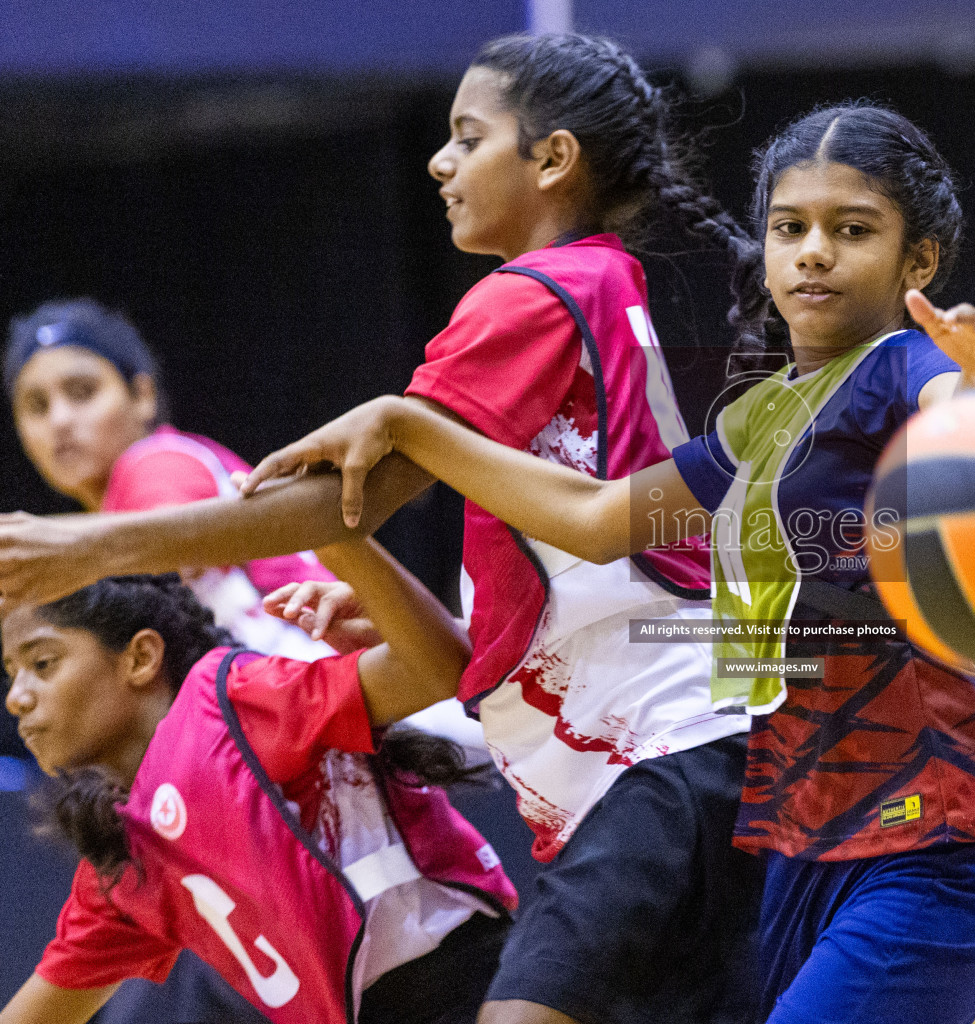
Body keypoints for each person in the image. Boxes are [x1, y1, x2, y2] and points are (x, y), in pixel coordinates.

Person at [0, 33, 764, 1024]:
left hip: (494, 742)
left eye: (466, 136)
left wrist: (78, 547)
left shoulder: (529, 292)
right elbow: (509, 538)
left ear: (552, 158)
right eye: (32, 404)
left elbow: (356, 497)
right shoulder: (593, 284)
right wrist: (366, 571)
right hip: (590, 738)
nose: (439, 162)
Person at [238, 102, 975, 1024]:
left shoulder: (904, 368)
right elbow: (589, 517)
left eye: (851, 230)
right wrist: (438, 527)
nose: (813, 251)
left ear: (920, 264)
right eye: (791, 227)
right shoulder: (760, 422)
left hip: (931, 848)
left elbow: (960, 414)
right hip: (796, 852)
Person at [0, 537, 517, 1024]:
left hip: (470, 978)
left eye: (42, 663)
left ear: (140, 657)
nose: (16, 698)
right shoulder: (123, 853)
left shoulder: (233, 701)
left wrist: (336, 533)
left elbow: (436, 667)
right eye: (11, 673)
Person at [5, 298, 332, 660]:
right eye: (37, 406)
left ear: (142, 396)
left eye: (83, 392)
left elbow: (159, 561)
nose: (59, 420)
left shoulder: (157, 461)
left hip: (341, 683)